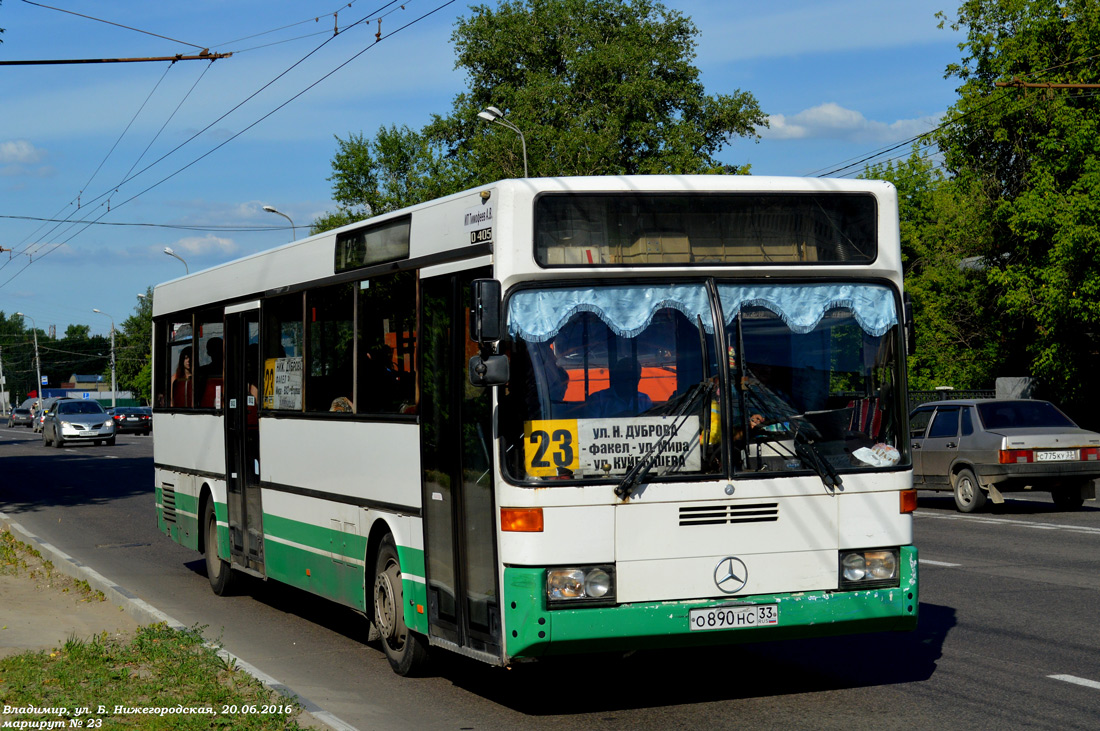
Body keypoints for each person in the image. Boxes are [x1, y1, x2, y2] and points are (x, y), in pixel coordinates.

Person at [586, 358, 653, 418]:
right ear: (617, 376)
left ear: (639, 379)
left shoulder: (645, 400)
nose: (630, 380)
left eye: (634, 377)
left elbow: (651, 424)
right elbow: (590, 427)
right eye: (626, 375)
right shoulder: (598, 399)